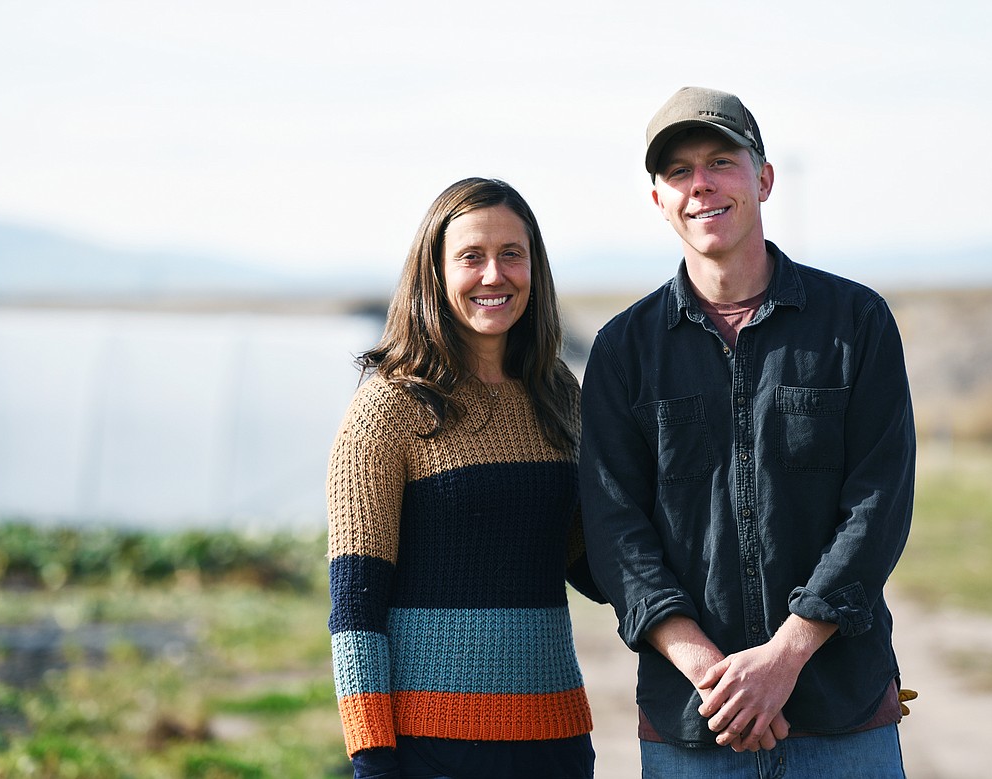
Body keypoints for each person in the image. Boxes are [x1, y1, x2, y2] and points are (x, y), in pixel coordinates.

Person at [579, 86, 917, 777]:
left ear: (763, 178)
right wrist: (712, 672)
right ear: (659, 199)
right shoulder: (622, 352)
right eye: (678, 171)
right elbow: (616, 530)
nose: (700, 184)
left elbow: (877, 505)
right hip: (694, 725)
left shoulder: (856, 324)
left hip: (842, 720)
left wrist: (785, 655)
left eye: (720, 161)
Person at [326, 177, 602, 779]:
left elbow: (587, 563)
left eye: (512, 254)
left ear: (535, 268)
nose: (493, 275)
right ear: (435, 273)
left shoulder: (558, 395)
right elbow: (355, 608)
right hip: (432, 749)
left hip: (555, 738)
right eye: (471, 257)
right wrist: (373, 759)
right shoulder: (388, 409)